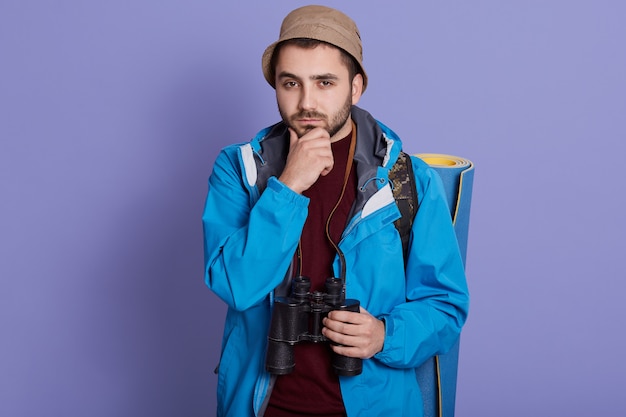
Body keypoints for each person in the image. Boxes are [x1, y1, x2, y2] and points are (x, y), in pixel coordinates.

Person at [202, 5, 469, 417]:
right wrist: (288, 186)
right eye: (291, 83)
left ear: (356, 87)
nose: (307, 102)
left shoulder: (407, 179)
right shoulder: (239, 169)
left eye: (325, 82)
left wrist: (384, 334)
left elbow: (445, 305)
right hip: (263, 405)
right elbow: (237, 286)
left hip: (373, 404)